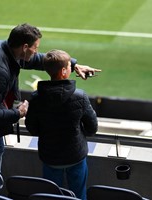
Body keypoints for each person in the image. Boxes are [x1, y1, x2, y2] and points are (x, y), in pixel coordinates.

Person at [0, 23, 101, 189]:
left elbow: (39, 60)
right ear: (24, 47)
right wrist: (18, 113)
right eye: (35, 47)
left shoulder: (2, 49)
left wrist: (72, 65)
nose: (37, 51)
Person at [25, 49, 98, 200]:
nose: (72, 68)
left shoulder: (36, 98)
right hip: (75, 156)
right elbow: (92, 128)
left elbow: (32, 128)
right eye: (70, 66)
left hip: (50, 157)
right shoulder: (80, 96)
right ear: (64, 71)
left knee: (51, 196)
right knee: (79, 196)